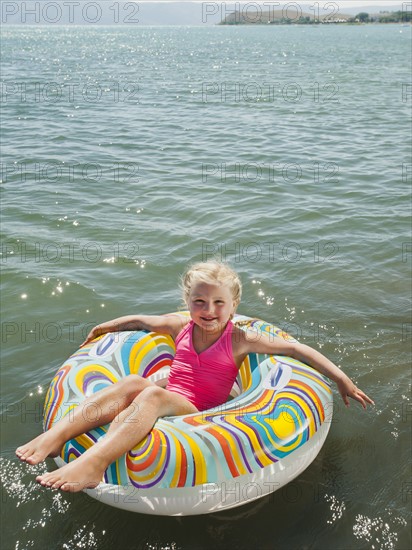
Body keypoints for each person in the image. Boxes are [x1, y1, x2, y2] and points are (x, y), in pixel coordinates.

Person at [16, 260, 374, 492]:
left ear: (234, 306)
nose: (209, 311)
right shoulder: (180, 326)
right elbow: (142, 321)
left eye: (219, 303)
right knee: (132, 384)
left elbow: (296, 351)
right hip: (171, 396)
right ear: (187, 302)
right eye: (199, 302)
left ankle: (96, 463)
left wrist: (343, 380)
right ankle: (57, 436)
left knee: (151, 395)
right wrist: (106, 326)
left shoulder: (239, 339)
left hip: (199, 412)